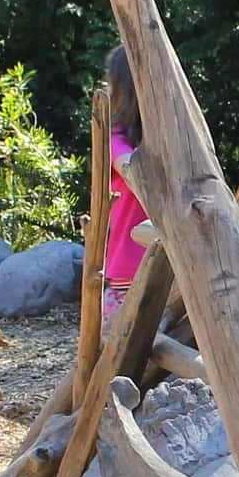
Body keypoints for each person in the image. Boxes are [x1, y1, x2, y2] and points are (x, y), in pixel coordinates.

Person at [100, 46, 148, 323]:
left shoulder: (164, 138)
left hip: (171, 265)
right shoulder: (113, 138)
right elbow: (130, 169)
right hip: (128, 270)